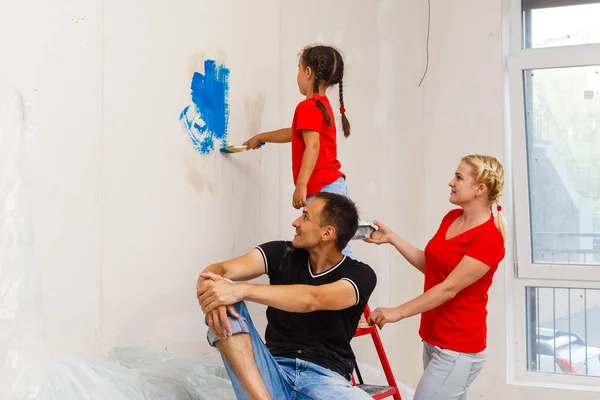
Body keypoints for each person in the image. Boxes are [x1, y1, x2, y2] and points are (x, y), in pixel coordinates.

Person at [196, 192, 376, 400]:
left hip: (325, 381)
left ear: (327, 233)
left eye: (305, 217)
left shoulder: (361, 275)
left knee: (227, 293)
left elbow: (313, 299)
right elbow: (219, 270)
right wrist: (214, 289)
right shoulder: (281, 252)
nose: (295, 222)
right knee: (225, 303)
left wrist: (241, 289)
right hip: (269, 376)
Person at [365, 154, 507, 400]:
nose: (451, 182)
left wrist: (396, 312)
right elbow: (432, 267)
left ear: (479, 189)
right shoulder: (452, 218)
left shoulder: (489, 239)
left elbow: (448, 288)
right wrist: (392, 239)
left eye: (459, 177)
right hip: (433, 339)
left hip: (458, 349)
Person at [244, 44, 352, 256]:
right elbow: (295, 134)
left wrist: (300, 185)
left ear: (308, 72)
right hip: (331, 186)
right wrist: (261, 137)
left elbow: (312, 146)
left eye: (299, 69)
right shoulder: (321, 105)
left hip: (323, 189)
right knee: (331, 246)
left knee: (332, 248)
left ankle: (343, 286)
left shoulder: (308, 107)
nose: (298, 75)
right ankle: (335, 285)